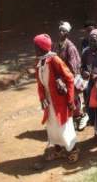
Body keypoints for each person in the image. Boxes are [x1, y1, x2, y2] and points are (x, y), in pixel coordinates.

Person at [33, 33, 78, 167]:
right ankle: (58, 150)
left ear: (42, 48)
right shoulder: (40, 62)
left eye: (36, 46)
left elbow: (69, 78)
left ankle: (73, 150)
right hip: (49, 101)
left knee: (63, 126)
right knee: (52, 126)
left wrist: (70, 99)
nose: (34, 49)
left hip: (60, 101)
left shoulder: (54, 60)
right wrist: (42, 98)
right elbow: (40, 84)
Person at [56, 21, 87, 130]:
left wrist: (68, 80)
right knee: (68, 99)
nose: (61, 32)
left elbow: (74, 67)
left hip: (71, 77)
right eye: (60, 30)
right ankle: (73, 119)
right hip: (64, 77)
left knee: (73, 98)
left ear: (67, 33)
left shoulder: (70, 47)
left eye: (63, 31)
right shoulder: (59, 45)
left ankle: (81, 116)